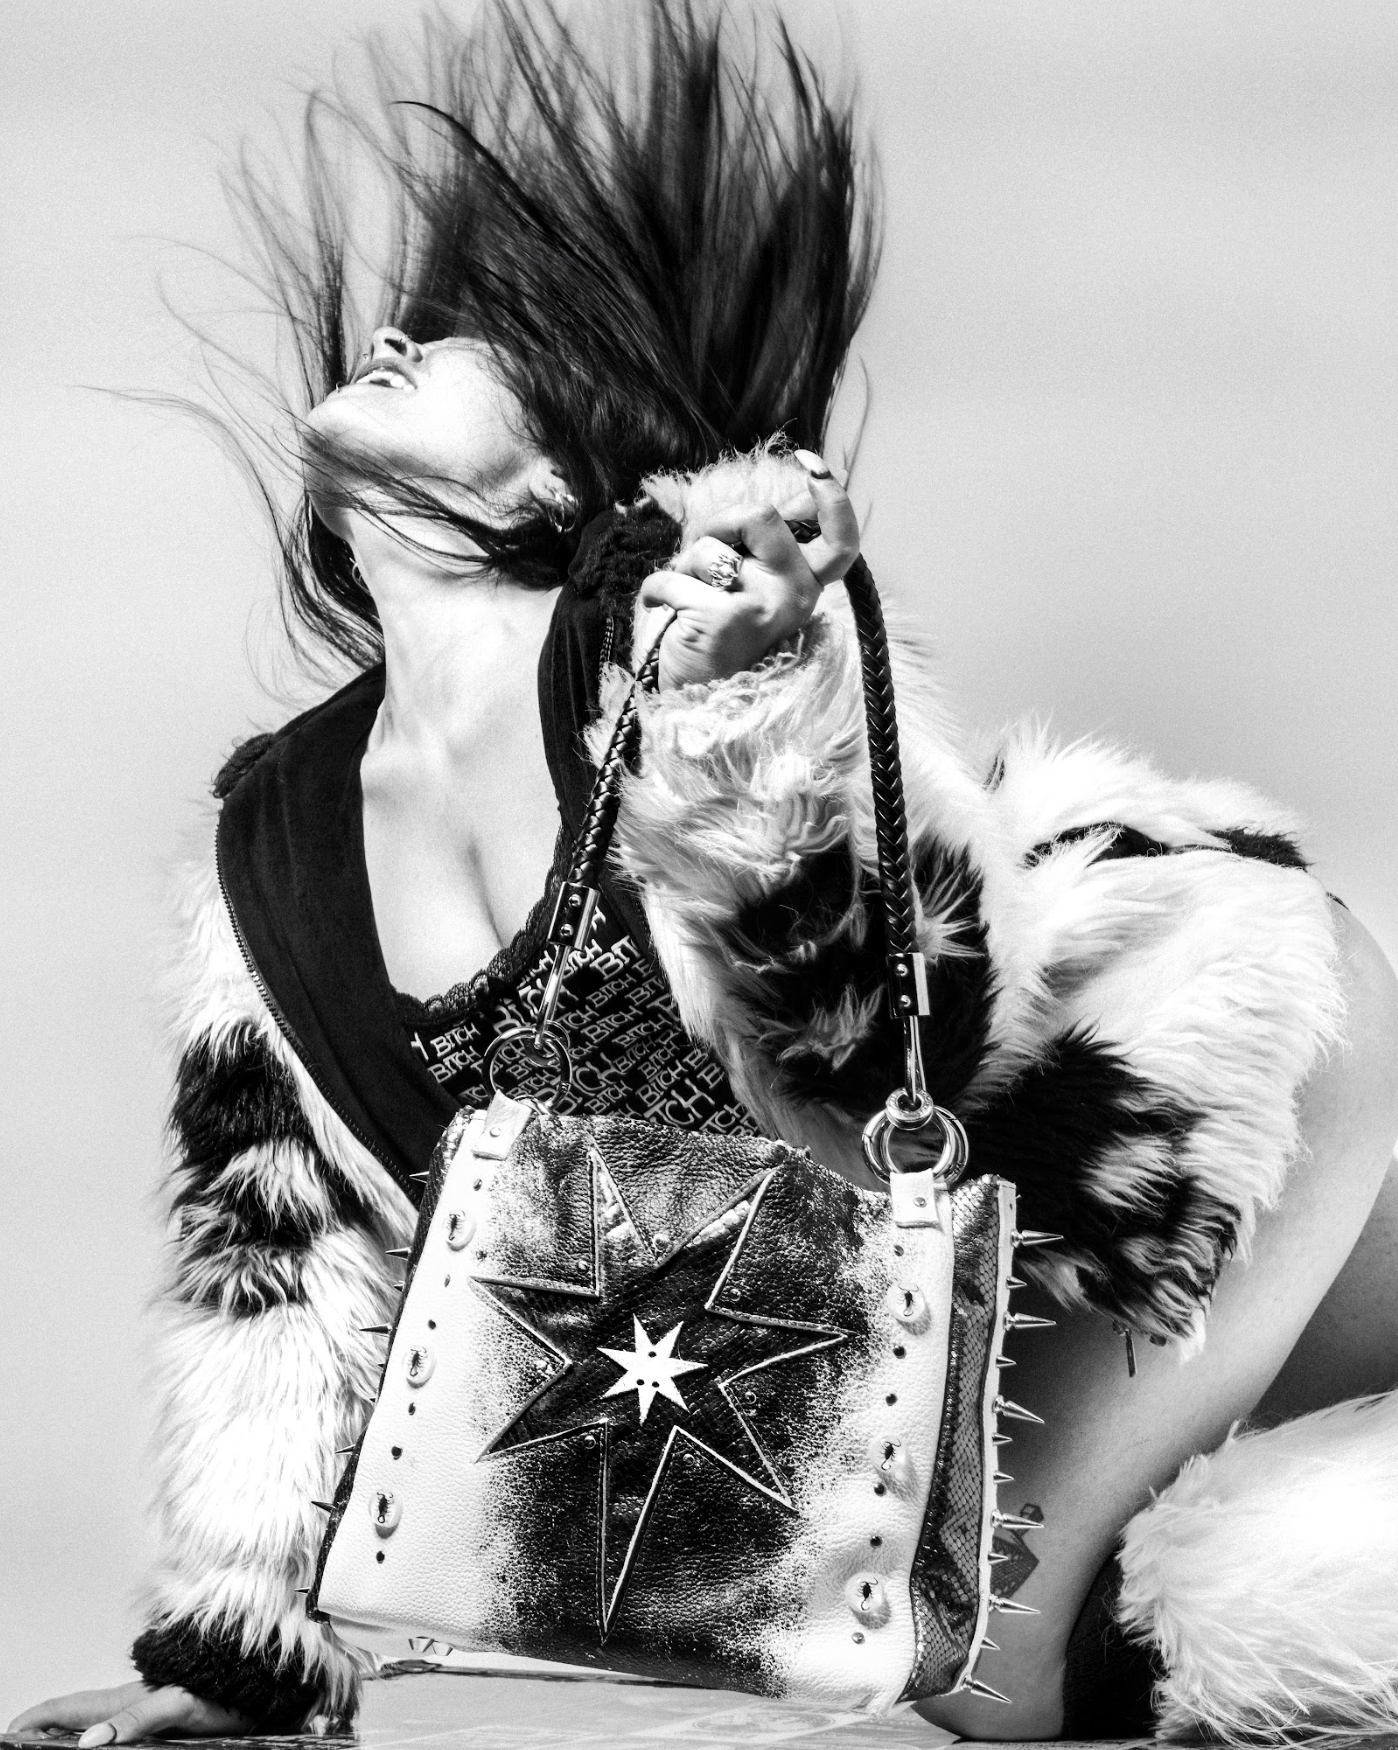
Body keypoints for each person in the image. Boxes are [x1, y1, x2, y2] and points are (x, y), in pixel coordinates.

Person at [11, 1, 1398, 1742]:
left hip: (1178, 1107)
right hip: (901, 1296)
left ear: (564, 463)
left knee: (1001, 1677)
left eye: (462, 343)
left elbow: (899, 1049)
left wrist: (747, 700)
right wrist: (241, 1666)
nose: (391, 334)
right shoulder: (271, 840)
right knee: (1114, 1602)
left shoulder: (671, 653)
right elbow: (273, 1260)